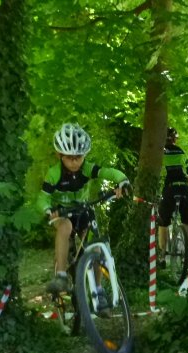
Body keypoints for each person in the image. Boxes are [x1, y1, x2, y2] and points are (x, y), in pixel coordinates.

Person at [36, 123, 130, 309]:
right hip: (62, 213)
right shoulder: (54, 173)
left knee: (95, 248)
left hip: (83, 210)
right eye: (69, 158)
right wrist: (48, 210)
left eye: (78, 157)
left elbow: (107, 172)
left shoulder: (87, 168)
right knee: (65, 227)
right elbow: (42, 198)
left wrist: (122, 180)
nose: (74, 162)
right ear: (59, 155)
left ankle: (98, 291)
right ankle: (61, 276)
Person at [158, 127, 188, 268]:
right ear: (175, 139)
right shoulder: (182, 152)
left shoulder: (161, 152)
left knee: (163, 223)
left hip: (170, 188)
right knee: (187, 222)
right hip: (184, 188)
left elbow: (159, 173)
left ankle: (162, 256)